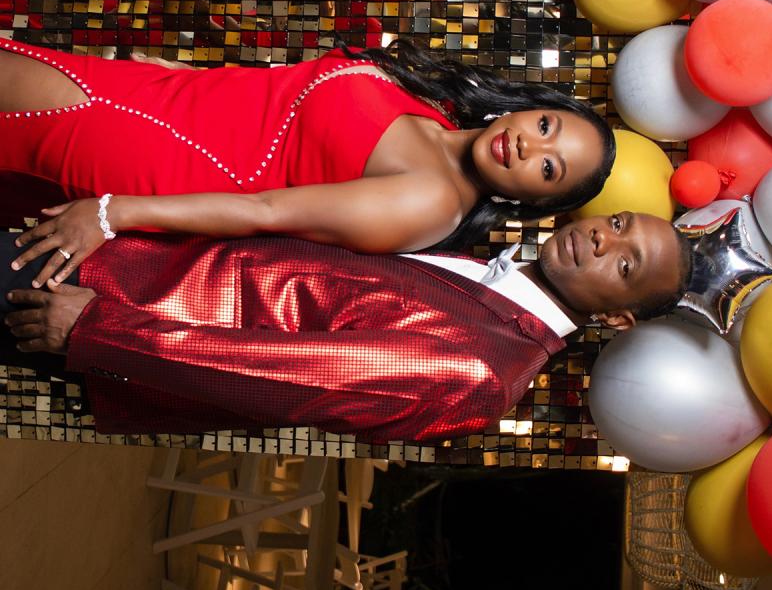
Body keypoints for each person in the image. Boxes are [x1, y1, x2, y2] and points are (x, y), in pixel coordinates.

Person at [1, 211, 692, 441]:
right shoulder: (489, 275)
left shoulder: (482, 373)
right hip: (135, 257)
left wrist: (99, 332)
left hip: (114, 306)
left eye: (625, 264)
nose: (602, 240)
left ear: (615, 317)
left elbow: (281, 379)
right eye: (618, 224)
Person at [0, 37, 614, 281]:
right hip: (171, 98)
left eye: (548, 167)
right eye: (546, 126)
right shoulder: (439, 113)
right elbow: (286, 99)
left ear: (531, 200)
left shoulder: (431, 201)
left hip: (158, 152)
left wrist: (114, 214)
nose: (529, 146)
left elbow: (266, 213)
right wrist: (197, 76)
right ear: (532, 107)